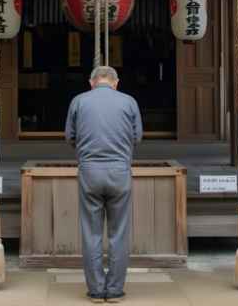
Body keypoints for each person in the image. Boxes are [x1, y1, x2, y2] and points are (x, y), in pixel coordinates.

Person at [65, 66, 143, 303]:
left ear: (92, 82)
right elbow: (137, 136)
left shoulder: (78, 101)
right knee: (119, 234)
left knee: (92, 233)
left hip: (89, 171)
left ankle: (97, 291)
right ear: (115, 83)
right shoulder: (129, 102)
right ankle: (115, 290)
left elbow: (70, 136)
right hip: (119, 171)